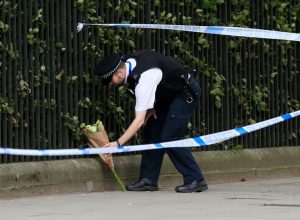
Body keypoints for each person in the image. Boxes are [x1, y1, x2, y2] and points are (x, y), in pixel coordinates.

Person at [93, 50, 207, 193]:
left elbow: (139, 120)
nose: (110, 85)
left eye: (110, 81)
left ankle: (196, 179)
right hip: (168, 95)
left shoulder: (144, 77)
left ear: (120, 73)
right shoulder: (131, 64)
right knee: (151, 131)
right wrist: (152, 107)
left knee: (171, 137)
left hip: (184, 94)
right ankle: (148, 180)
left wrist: (118, 143)